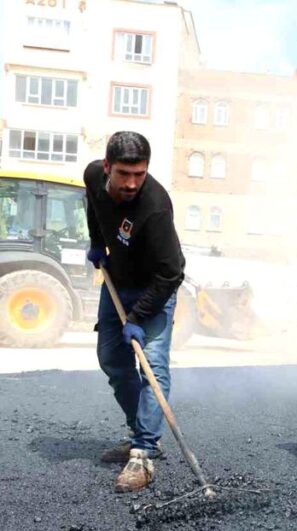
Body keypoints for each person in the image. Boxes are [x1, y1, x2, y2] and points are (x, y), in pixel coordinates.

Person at [84, 131, 185, 493]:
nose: (130, 184)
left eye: (139, 174)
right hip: (117, 281)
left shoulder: (155, 207)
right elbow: (94, 205)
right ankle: (138, 429)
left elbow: (172, 272)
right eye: (123, 174)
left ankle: (144, 450)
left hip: (154, 289)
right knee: (112, 359)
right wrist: (97, 241)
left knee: (152, 367)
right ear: (107, 167)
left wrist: (139, 317)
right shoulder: (92, 176)